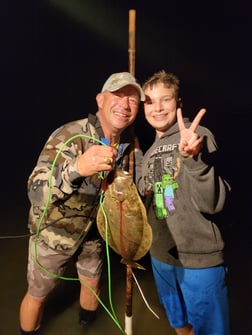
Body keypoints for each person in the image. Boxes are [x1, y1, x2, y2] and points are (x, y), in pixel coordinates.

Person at [19, 71, 145, 335]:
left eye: (133, 100)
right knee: (38, 295)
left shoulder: (131, 144)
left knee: (92, 285)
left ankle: (85, 327)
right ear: (100, 100)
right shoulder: (70, 134)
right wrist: (77, 168)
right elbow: (34, 191)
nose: (125, 103)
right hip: (55, 233)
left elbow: (140, 185)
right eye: (118, 95)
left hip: (95, 234)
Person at [136, 70, 231, 335]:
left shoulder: (198, 135)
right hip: (160, 255)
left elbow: (214, 203)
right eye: (150, 101)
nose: (157, 108)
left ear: (178, 104)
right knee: (181, 326)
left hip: (199, 259)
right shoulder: (152, 149)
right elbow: (152, 194)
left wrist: (193, 159)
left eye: (165, 100)